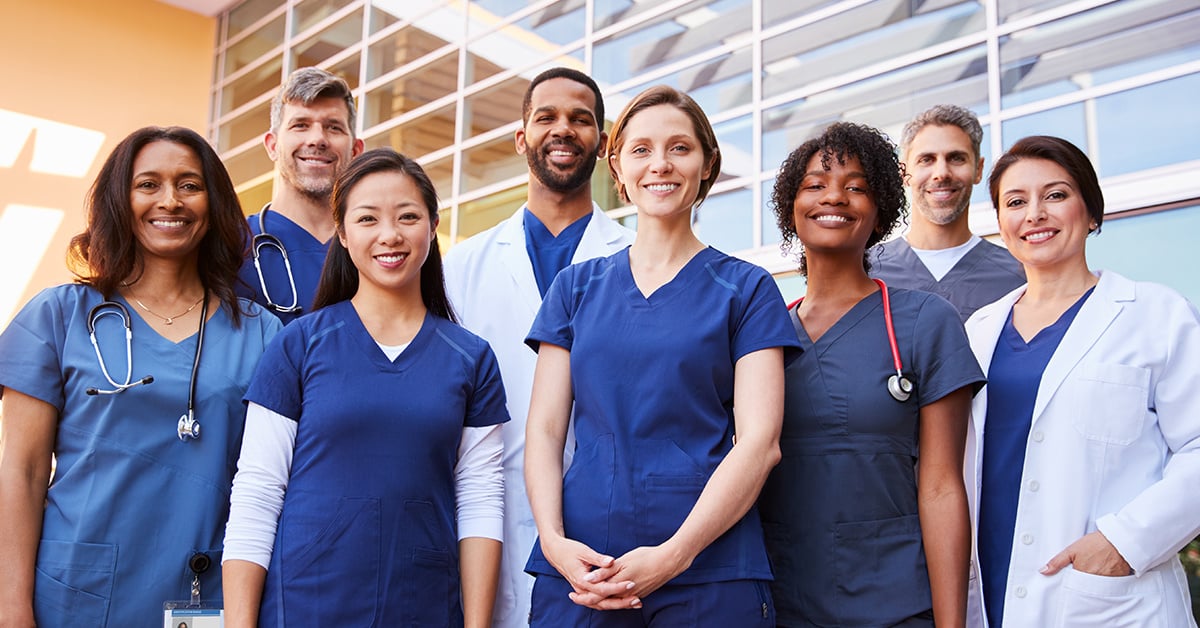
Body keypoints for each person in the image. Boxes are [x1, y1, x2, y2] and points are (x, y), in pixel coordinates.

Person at [523, 85, 799, 626]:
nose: (660, 165)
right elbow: (546, 431)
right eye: (641, 150)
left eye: (680, 148)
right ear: (618, 168)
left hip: (708, 571)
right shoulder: (575, 287)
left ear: (706, 164)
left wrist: (675, 556)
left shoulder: (746, 289)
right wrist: (554, 542)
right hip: (584, 570)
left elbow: (761, 444)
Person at [0, 126, 282, 627]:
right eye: (147, 185)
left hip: (205, 594)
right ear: (118, 200)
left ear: (213, 202)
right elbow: (21, 474)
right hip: (74, 596)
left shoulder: (261, 333)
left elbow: (268, 486)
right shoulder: (59, 316)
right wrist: (10, 608)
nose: (170, 201)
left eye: (190, 185)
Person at [222, 149, 509, 628]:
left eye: (408, 216)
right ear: (343, 233)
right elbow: (257, 492)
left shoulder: (470, 357)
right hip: (307, 606)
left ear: (433, 226)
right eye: (368, 218)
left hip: (424, 607)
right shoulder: (298, 346)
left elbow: (480, 500)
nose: (389, 235)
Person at [964, 135, 1200, 626]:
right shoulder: (977, 331)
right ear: (1001, 225)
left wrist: (1124, 543)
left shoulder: (1156, 315)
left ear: (1091, 212)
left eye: (1055, 195)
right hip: (990, 589)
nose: (1035, 214)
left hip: (1111, 598)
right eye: (1015, 202)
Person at [759, 122, 983, 627]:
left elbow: (944, 486)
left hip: (896, 604)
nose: (834, 197)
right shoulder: (764, 335)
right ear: (791, 209)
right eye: (815, 185)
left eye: (856, 186)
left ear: (880, 206)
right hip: (780, 601)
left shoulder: (926, 321)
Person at [442, 66, 634, 627]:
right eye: (545, 116)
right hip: (485, 514)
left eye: (581, 119)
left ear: (602, 145)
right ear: (520, 137)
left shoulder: (635, 259)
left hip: (600, 522)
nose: (563, 129)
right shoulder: (461, 268)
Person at [870, 104, 1024, 322]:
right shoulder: (865, 272)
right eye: (926, 160)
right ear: (904, 172)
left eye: (956, 158)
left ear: (978, 170)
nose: (941, 173)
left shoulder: (1019, 276)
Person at [238, 67, 364, 323]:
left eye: (334, 127)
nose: (317, 139)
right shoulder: (231, 245)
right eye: (300, 125)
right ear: (272, 146)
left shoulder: (374, 247)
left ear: (356, 150)